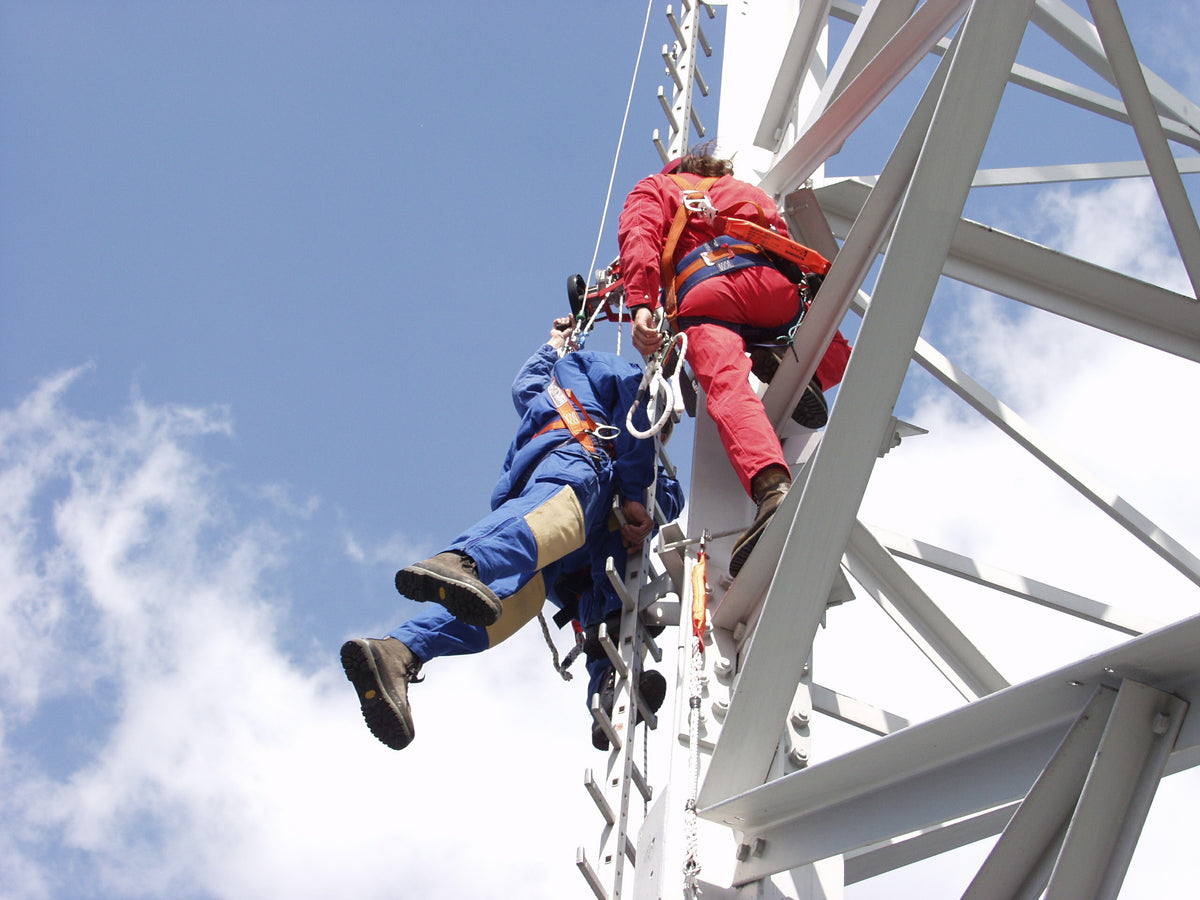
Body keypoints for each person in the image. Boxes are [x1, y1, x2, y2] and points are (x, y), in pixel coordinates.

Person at [340, 318, 676, 750]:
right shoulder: (613, 375)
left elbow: (526, 382)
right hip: (574, 464)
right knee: (563, 516)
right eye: (662, 429)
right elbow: (638, 415)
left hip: (568, 553)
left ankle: (400, 651)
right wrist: (635, 496)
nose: (658, 436)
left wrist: (553, 342)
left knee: (520, 601)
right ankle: (465, 560)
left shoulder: (548, 384)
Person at [617, 148, 851, 576]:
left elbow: (639, 238)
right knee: (824, 341)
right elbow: (779, 239)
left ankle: (772, 488)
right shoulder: (744, 191)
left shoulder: (655, 187)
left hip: (706, 289)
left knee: (726, 387)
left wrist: (640, 306)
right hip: (772, 287)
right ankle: (790, 363)